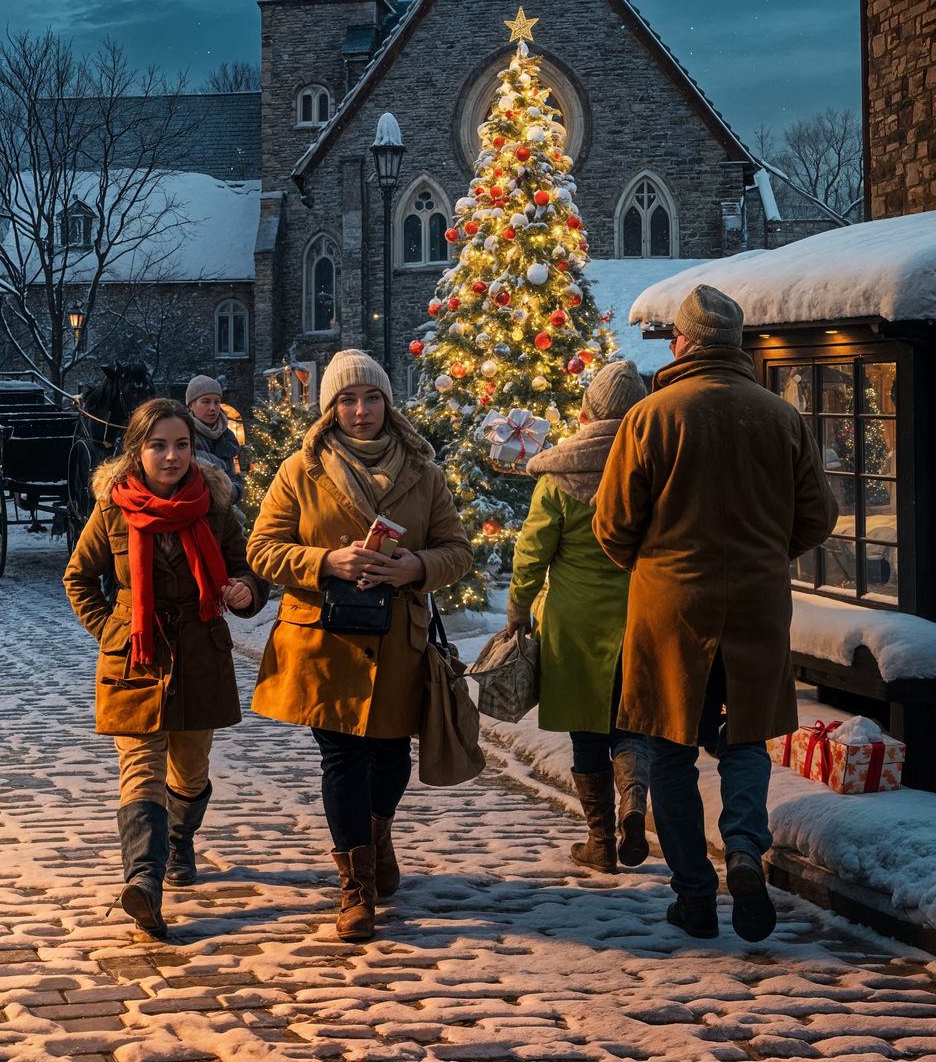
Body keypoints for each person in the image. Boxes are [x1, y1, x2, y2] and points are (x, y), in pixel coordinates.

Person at [594, 286, 836, 943]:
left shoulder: (651, 416)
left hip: (671, 609)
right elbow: (819, 516)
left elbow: (613, 526)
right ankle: (745, 858)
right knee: (745, 742)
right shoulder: (780, 417)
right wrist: (763, 554)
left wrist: (654, 562)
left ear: (684, 344)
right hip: (757, 605)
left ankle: (695, 894)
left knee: (670, 751)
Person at [248, 350, 472, 943]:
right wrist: (326, 561)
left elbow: (458, 550)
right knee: (342, 757)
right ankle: (357, 887)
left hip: (399, 638)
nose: (360, 410)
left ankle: (376, 834)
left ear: (388, 404)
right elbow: (264, 550)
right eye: (347, 399)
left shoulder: (423, 471)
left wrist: (417, 567)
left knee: (391, 755)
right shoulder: (301, 470)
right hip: (325, 640)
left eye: (371, 398)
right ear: (330, 409)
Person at [64, 397, 264, 940]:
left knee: (191, 769)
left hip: (200, 651)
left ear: (193, 449)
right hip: (135, 656)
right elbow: (78, 578)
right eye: (158, 445)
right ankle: (143, 881)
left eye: (180, 444)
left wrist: (246, 590)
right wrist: (113, 630)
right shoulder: (113, 507)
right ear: (138, 450)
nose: (170, 456)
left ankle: (179, 839)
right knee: (140, 768)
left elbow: (246, 569)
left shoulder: (215, 506)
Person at [505, 359, 652, 875]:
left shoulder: (558, 476)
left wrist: (519, 606)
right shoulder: (651, 468)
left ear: (586, 411)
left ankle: (600, 841)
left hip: (573, 622)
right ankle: (634, 806)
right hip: (639, 615)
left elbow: (532, 552)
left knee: (588, 734)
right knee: (632, 720)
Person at [186, 375, 243, 502]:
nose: (212, 408)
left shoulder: (227, 435)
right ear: (191, 405)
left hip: (226, 509)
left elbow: (234, 474)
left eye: (216, 402)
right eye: (206, 402)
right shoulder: (184, 435)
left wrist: (235, 491)